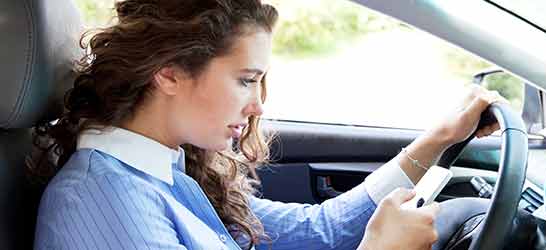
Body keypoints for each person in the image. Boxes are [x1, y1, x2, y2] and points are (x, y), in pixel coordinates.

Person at [30, 0, 504, 249]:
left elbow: (320, 231)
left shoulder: (169, 172)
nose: (259, 105)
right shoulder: (102, 200)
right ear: (169, 72)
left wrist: (441, 138)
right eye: (245, 80)